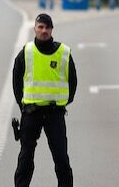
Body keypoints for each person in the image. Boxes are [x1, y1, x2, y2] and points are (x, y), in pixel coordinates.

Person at [13, 13, 76, 187]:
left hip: (55, 114)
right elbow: (16, 81)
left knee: (61, 158)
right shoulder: (26, 53)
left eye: (47, 27)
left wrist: (63, 102)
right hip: (31, 113)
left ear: (52, 30)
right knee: (25, 157)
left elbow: (73, 82)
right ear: (35, 29)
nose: (44, 31)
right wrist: (22, 105)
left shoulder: (64, 53)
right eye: (40, 27)